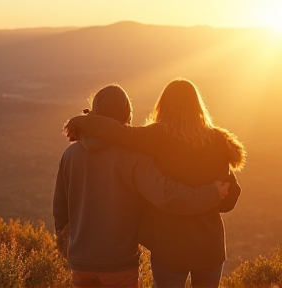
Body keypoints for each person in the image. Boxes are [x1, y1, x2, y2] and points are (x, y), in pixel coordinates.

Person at [64, 78, 246, 288]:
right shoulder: (218, 141)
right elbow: (228, 202)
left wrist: (85, 122)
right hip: (209, 246)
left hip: (169, 247)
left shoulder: (158, 135)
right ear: (198, 106)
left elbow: (119, 133)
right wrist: (213, 191)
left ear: (163, 106)